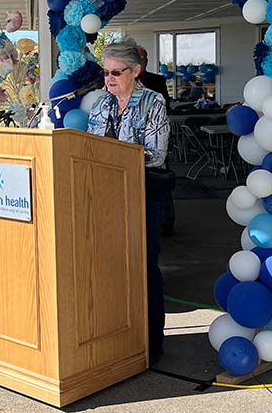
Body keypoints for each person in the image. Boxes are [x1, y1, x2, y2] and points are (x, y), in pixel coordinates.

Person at [87, 38, 170, 364]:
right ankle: (116, 337)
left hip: (144, 193)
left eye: (116, 72)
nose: (109, 79)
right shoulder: (101, 103)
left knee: (144, 267)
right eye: (105, 72)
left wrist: (113, 156)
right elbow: (90, 147)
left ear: (135, 71)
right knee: (110, 268)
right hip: (107, 195)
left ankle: (152, 343)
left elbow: (156, 154)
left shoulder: (153, 103)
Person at [138, 46, 176, 237]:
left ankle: (166, 222)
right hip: (133, 142)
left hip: (156, 140)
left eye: (142, 58)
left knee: (160, 179)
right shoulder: (122, 81)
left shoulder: (157, 81)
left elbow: (165, 107)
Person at [138, 46, 170, 111]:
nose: (138, 62)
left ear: (146, 62)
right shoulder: (122, 80)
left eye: (141, 58)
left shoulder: (158, 80)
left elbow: (165, 104)